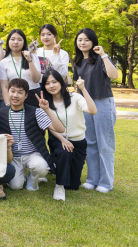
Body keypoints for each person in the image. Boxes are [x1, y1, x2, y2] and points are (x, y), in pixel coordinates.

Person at [0, 79, 65, 191]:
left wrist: (47, 110)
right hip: (13, 157)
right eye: (13, 91)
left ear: (26, 96)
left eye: (20, 92)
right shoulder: (2, 113)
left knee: (41, 167)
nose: (15, 95)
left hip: (32, 154)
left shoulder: (36, 111)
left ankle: (33, 179)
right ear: (8, 92)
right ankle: (21, 175)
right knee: (16, 186)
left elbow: (60, 129)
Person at [73, 28, 119, 194]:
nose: (83, 43)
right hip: (85, 105)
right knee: (90, 143)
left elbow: (114, 75)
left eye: (86, 40)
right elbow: (78, 86)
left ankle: (106, 182)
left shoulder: (101, 58)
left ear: (93, 41)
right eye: (80, 40)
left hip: (103, 103)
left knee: (104, 144)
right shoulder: (76, 62)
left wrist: (104, 55)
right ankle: (92, 179)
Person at [41, 70, 97, 201]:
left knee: (73, 185)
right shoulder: (45, 104)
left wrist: (83, 89)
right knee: (64, 152)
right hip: (58, 140)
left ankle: (59, 167)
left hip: (79, 141)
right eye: (47, 83)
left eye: (54, 82)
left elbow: (93, 110)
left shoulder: (75, 98)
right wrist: (63, 140)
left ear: (61, 82)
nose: (51, 86)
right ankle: (59, 186)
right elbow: (51, 127)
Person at [0, 29, 41, 107]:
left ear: (24, 42)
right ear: (8, 42)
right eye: (12, 39)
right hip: (14, 97)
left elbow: (36, 79)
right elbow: (4, 86)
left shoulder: (33, 57)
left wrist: (29, 60)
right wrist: (8, 104)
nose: (16, 42)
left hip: (32, 95)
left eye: (19, 40)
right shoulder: (4, 62)